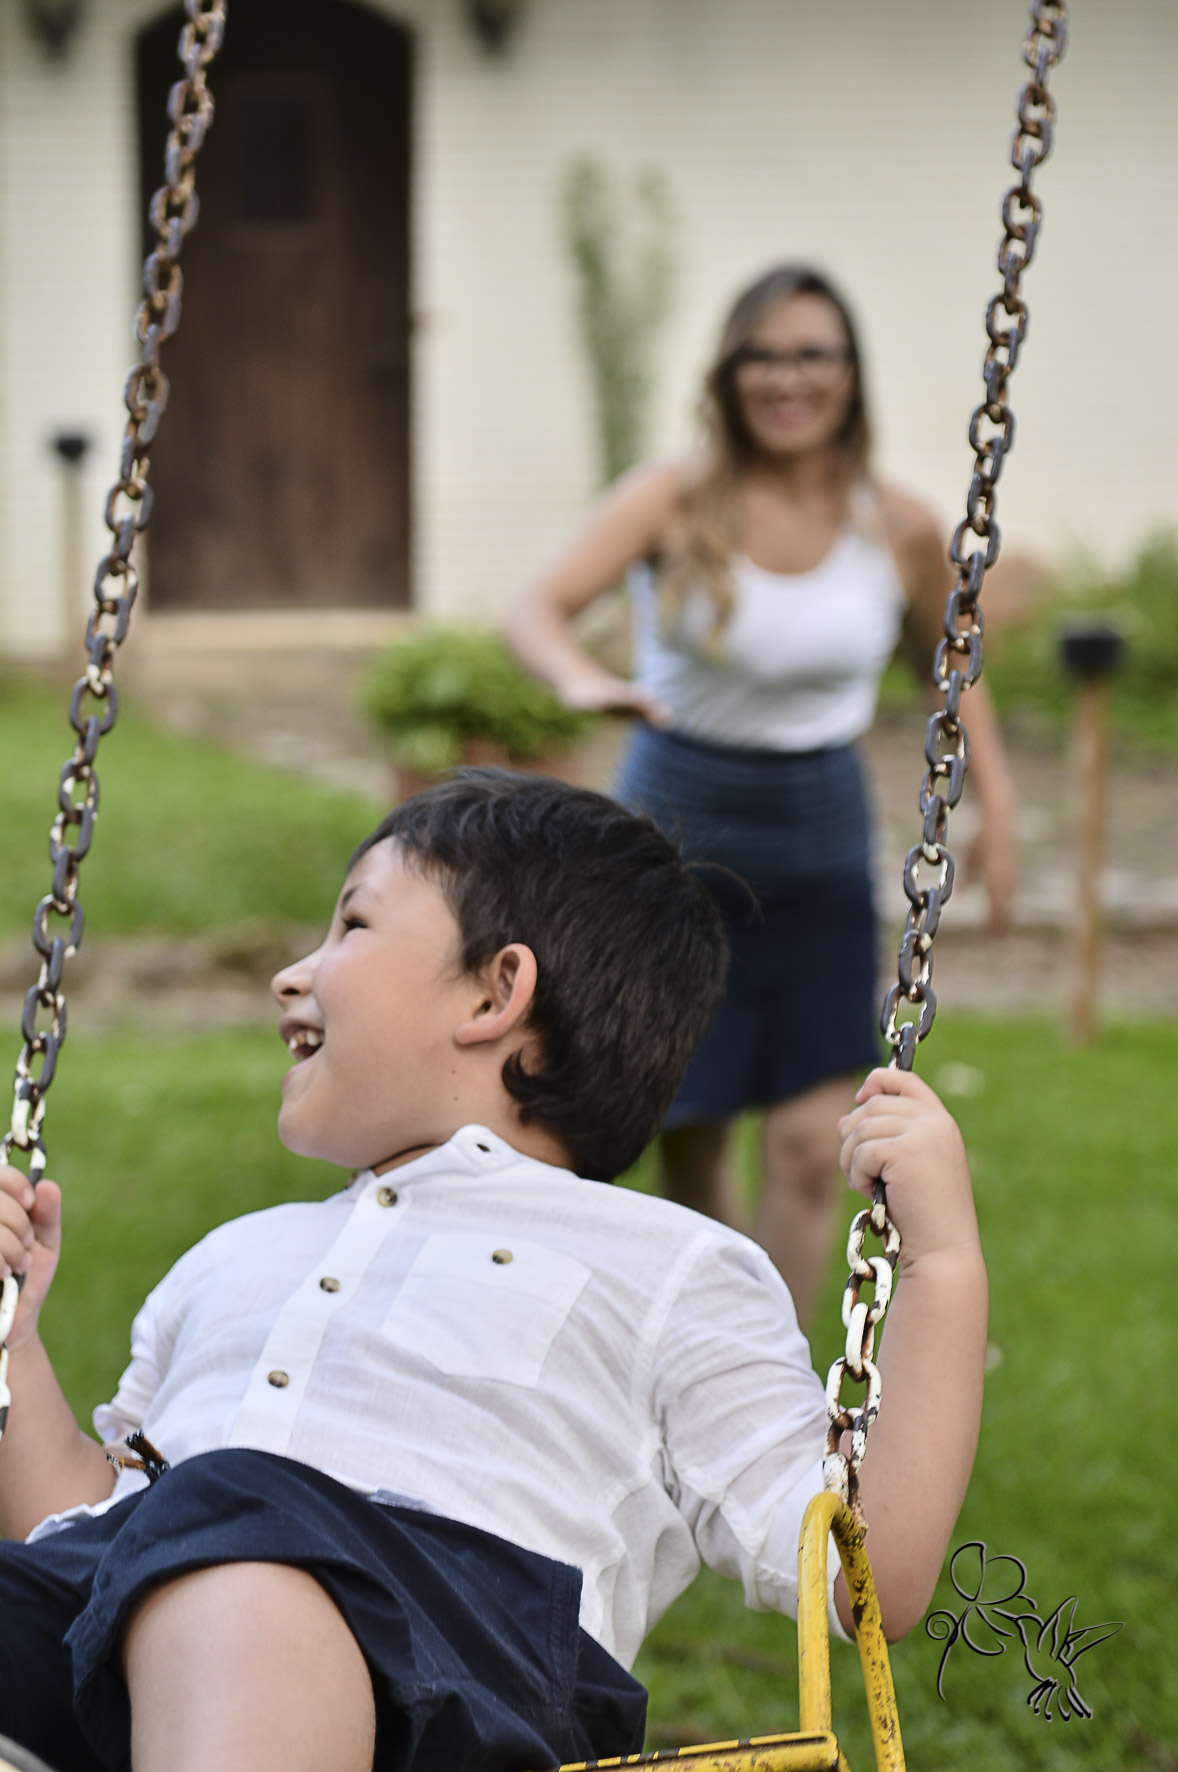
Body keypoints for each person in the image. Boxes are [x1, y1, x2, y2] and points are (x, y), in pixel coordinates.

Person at [0, 772, 987, 1772]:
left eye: (351, 925)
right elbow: (84, 1523)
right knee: (169, 1531)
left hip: (459, 1677)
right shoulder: (231, 1256)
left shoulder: (668, 1265)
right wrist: (14, 1343)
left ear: (493, 991)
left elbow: (860, 1566)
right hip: (139, 1627)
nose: (291, 973)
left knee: (233, 1518)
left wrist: (939, 1265)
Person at [505, 263, 1017, 1324]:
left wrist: (996, 811)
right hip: (671, 844)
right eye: (764, 354)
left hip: (819, 849)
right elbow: (537, 605)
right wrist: (577, 677)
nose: (788, 377)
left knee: (804, 1145)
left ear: (849, 374)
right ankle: (707, 1345)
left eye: (812, 353)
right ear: (730, 373)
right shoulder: (673, 496)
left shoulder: (900, 525)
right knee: (688, 1131)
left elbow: (951, 670)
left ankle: (770, 1379)